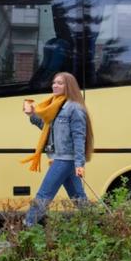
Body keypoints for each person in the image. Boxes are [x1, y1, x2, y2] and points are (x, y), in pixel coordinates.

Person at [21, 72, 94, 227]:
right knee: (78, 196)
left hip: (65, 159)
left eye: (60, 83)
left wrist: (79, 164)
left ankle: (27, 227)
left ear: (69, 86)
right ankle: (95, 225)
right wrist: (31, 114)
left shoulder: (74, 109)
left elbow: (79, 137)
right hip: (61, 157)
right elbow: (48, 129)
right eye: (54, 82)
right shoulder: (56, 106)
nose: (55, 85)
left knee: (44, 194)